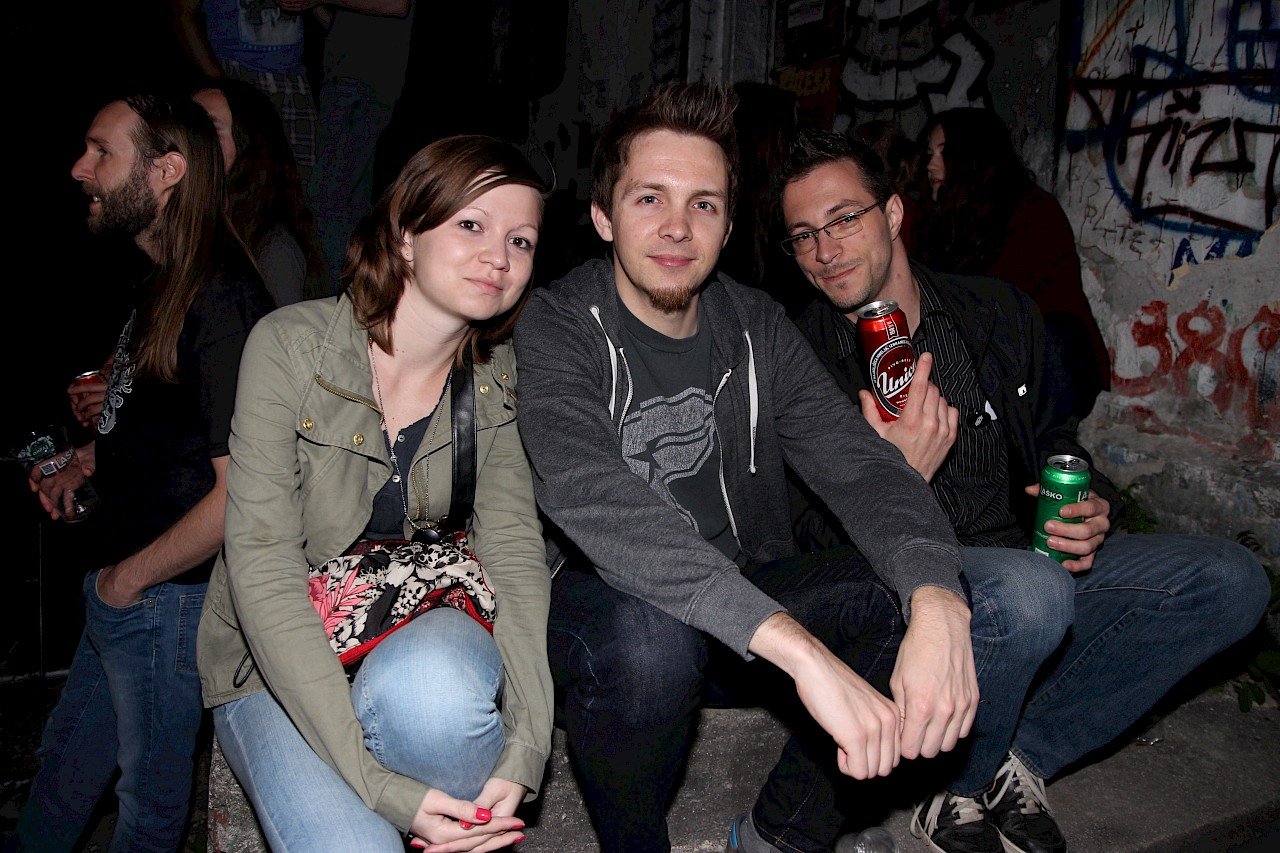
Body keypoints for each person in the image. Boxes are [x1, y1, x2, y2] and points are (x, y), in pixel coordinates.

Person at [514, 82, 979, 853]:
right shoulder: (557, 325)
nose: (677, 226)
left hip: (739, 608)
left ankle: (777, 837)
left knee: (903, 587)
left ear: (727, 227)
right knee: (654, 640)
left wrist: (938, 596)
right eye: (649, 199)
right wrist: (799, 650)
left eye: (703, 204)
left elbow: (861, 466)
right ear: (603, 216)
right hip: (605, 618)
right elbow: (588, 492)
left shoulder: (755, 325)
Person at [777, 129, 1270, 853]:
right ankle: (954, 783)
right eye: (804, 235)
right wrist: (892, 480)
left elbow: (1056, 441)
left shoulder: (996, 312)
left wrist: (1090, 503)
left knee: (1231, 580)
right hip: (911, 598)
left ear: (893, 213)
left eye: (844, 218)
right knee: (1029, 591)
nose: (825, 249)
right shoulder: (793, 361)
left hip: (1026, 565)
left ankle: (1019, 753)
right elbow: (801, 548)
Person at [197, 135, 553, 851]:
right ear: (406, 234)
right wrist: (378, 786)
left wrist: (529, 744)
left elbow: (515, 553)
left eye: (521, 240)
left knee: (435, 691)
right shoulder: (289, 347)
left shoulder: (496, 375)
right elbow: (262, 566)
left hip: (421, 624)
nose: (499, 257)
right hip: (273, 661)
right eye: (471, 225)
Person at [11, 93, 273, 852]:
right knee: (63, 776)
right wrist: (89, 458)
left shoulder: (223, 300)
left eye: (102, 151)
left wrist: (128, 582)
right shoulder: (166, 279)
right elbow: (179, 427)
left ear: (167, 171)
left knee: (148, 813)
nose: (80, 168)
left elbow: (243, 494)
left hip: (168, 598)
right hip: (127, 594)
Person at [914, 107, 1110, 420]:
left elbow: (996, 305)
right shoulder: (943, 215)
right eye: (929, 153)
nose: (931, 165)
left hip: (1048, 368)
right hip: (995, 363)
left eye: (944, 152)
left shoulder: (1030, 211)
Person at [304, 0, 416, 291]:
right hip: (349, 79)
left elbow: (396, 5)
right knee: (348, 205)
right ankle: (358, 292)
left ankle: (341, 297)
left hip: (363, 83)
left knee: (328, 199)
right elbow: (340, 25)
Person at [195, 78, 329, 304]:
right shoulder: (195, 228)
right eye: (188, 127)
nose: (191, 140)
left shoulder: (274, 253)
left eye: (209, 128)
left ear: (247, 143)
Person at [171, 0, 316, 179]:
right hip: (235, 72)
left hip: (292, 79)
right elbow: (183, 14)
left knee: (300, 173)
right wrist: (222, 85)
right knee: (235, 171)